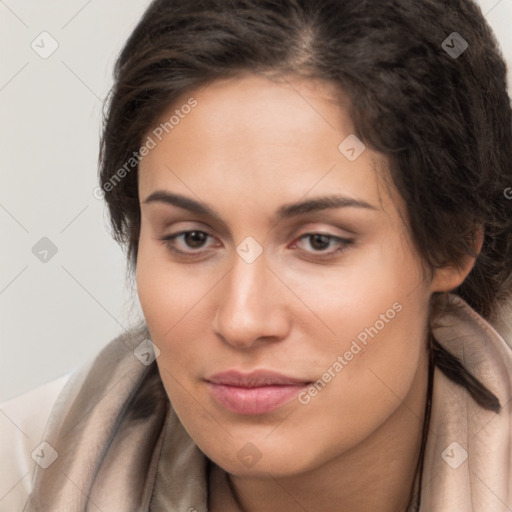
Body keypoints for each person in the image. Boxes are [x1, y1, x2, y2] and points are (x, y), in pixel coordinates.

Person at [1, 0, 512, 510]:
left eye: (319, 241)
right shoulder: (23, 475)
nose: (242, 321)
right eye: (192, 238)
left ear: (455, 244)